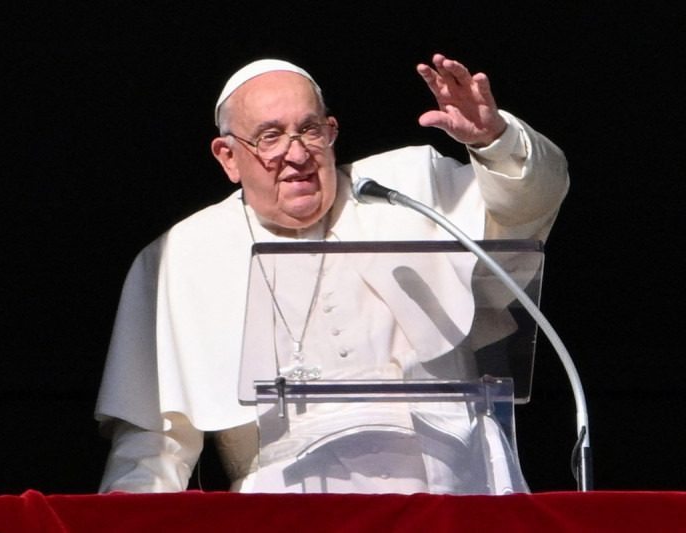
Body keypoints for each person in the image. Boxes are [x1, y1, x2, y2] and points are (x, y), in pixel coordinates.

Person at [95, 54, 569, 494]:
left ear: (333, 132)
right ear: (227, 156)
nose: (297, 154)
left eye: (310, 130)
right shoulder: (184, 253)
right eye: (269, 137)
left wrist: (495, 142)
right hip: (289, 506)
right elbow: (154, 443)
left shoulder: (405, 187)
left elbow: (528, 205)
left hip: (450, 490)